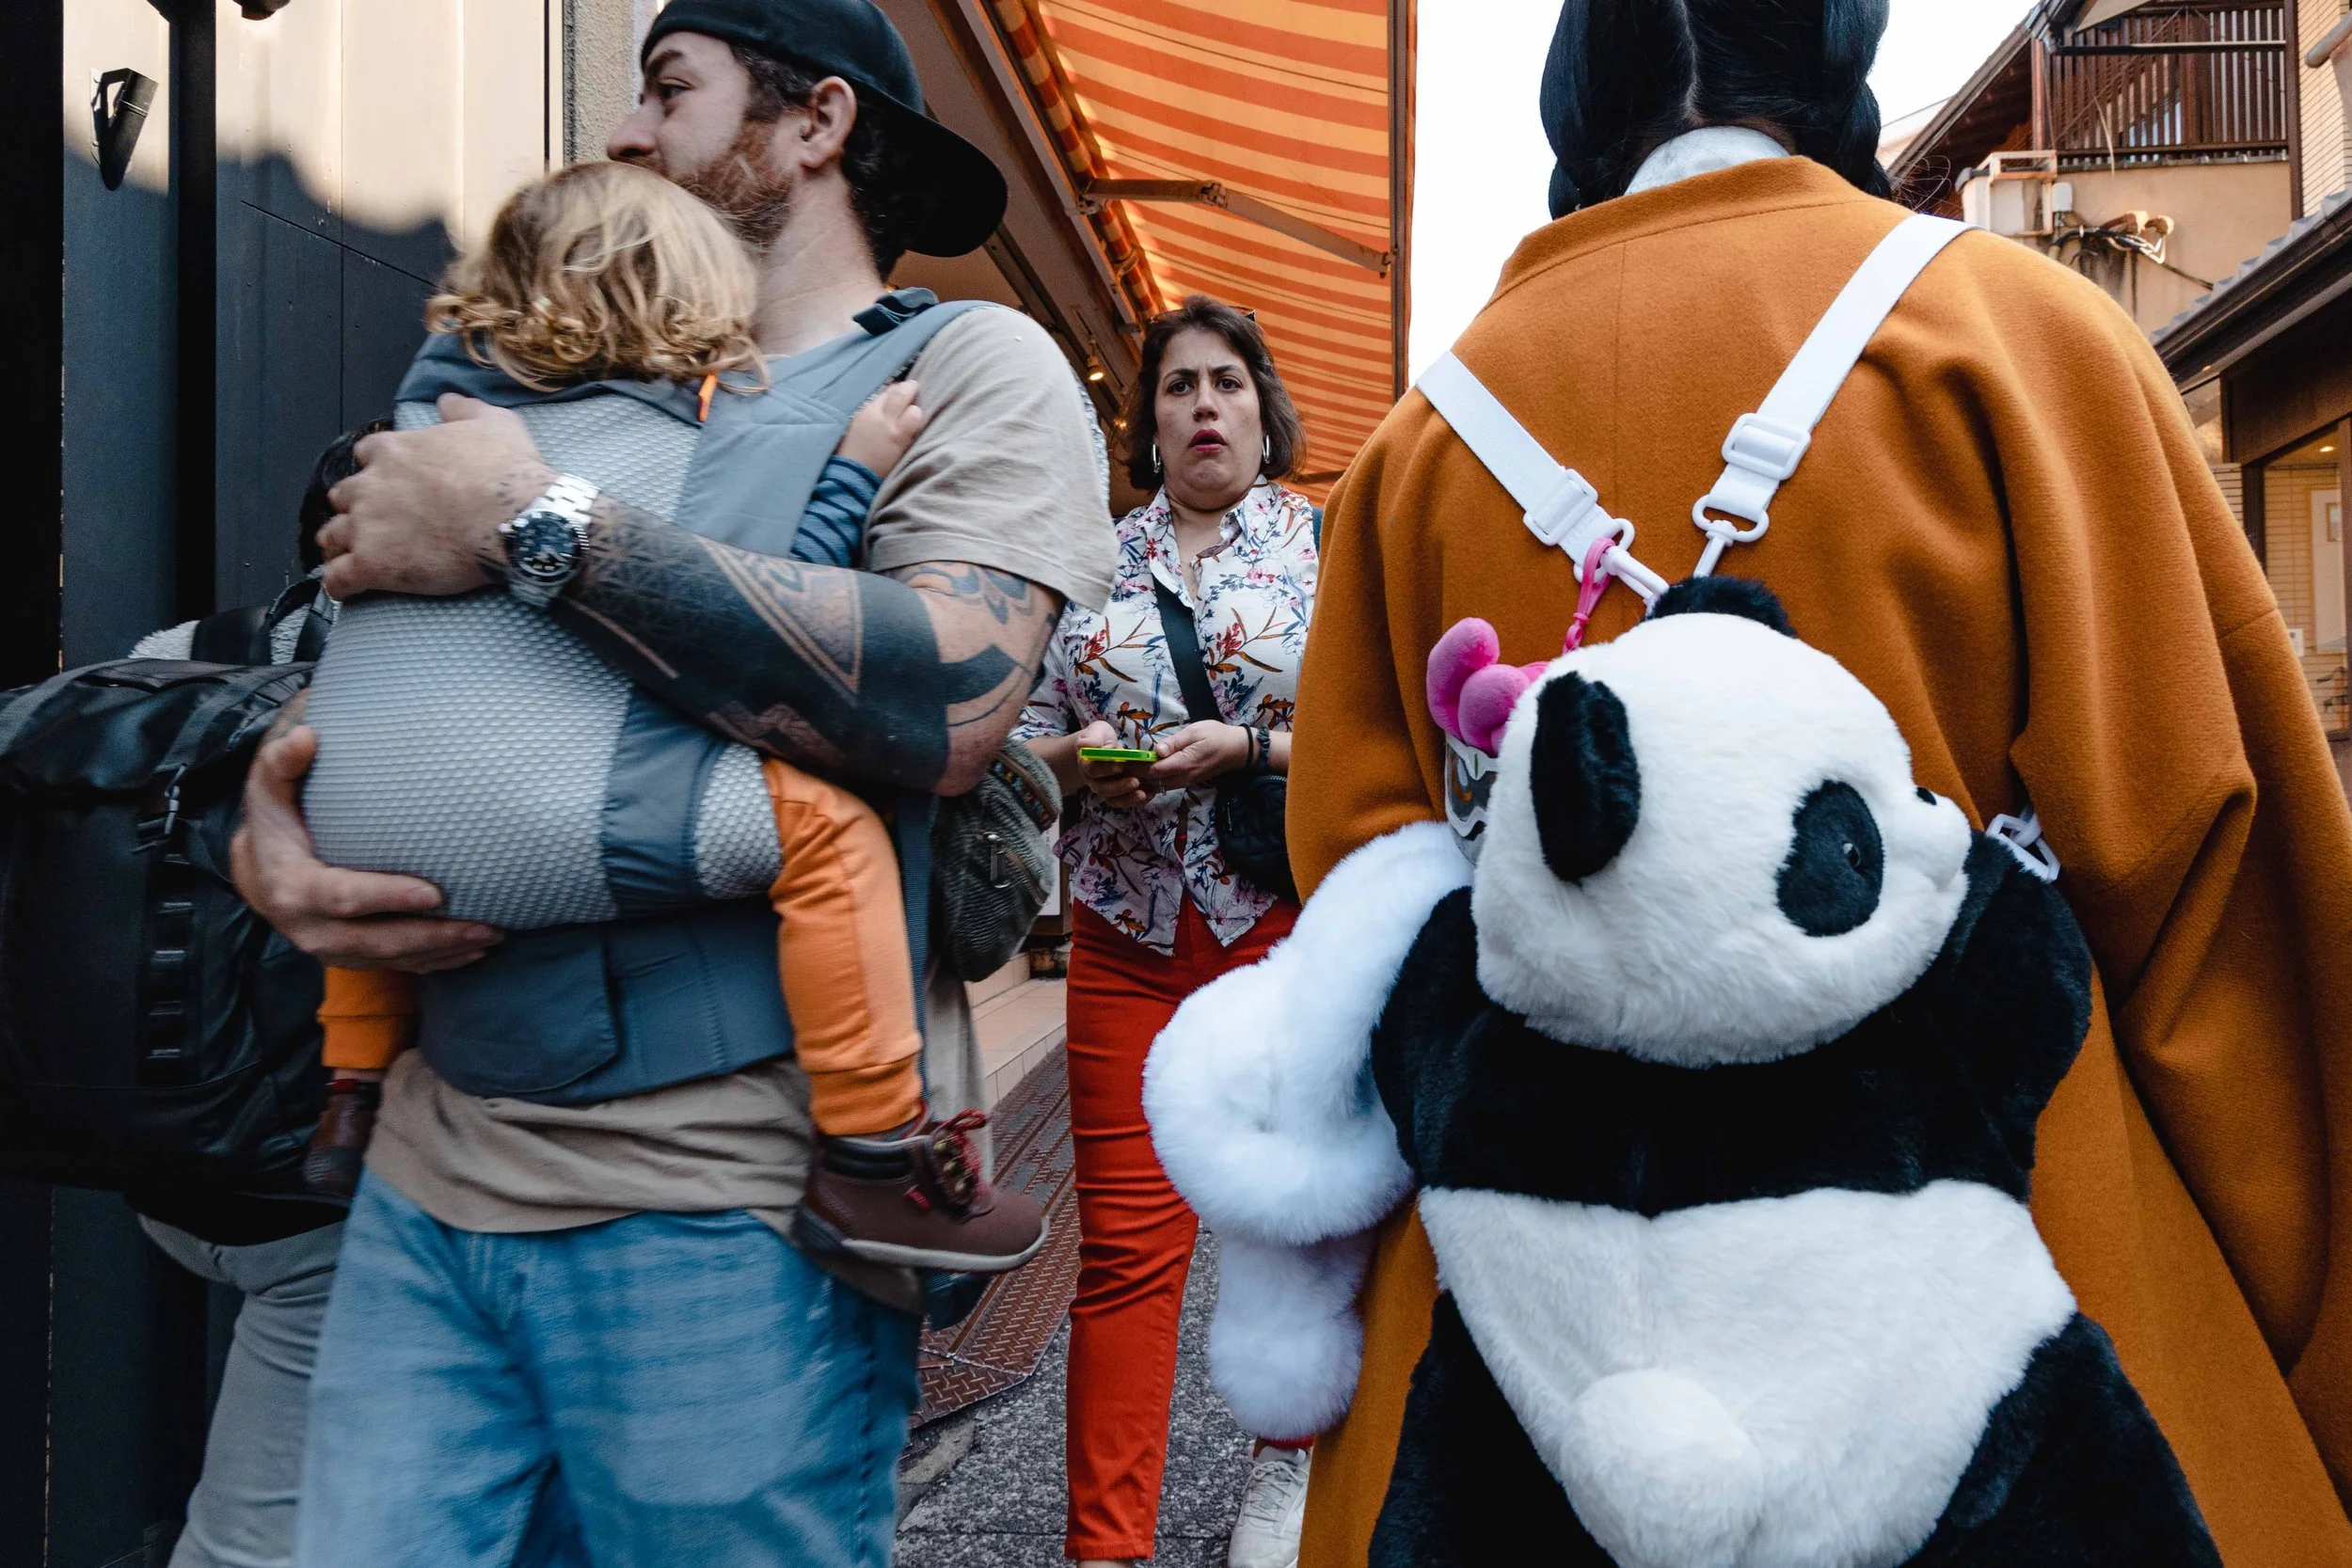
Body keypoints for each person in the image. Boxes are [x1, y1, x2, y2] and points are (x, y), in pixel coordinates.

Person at [1283, 3, 2352, 1566]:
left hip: (1543, 1376)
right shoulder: (2021, 342)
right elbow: (2222, 914)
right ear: (1837, 63)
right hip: (2014, 1336)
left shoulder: (1420, 446)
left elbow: (1363, 929)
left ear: (1579, 101)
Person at [228, 0, 1113, 1560]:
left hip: (727, 1213)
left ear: (816, 122)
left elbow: (954, 693)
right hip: (429, 1181)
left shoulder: (965, 363)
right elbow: (363, 667)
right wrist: (281, 819)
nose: (623, 135)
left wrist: (537, 519)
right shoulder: (538, 365)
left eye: (667, 90)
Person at [295, 158, 1044, 1277]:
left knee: (406, 782)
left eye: (670, 87)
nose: (640, 124)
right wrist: (852, 463)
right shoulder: (681, 445)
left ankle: (347, 1091)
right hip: (572, 841)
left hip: (345, 826)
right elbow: (778, 593)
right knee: (831, 835)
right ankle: (875, 1152)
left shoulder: (422, 428)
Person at [1014, 294, 1318, 1568]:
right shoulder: (1086, 558)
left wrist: (1249, 745)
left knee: (1294, 1229)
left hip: (1283, 936)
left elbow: (1380, 738)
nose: (1203, 403)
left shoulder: (1326, 549)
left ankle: (1284, 1474)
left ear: (1262, 407)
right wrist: (1083, 764)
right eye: (1179, 385)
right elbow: (1015, 739)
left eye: (1227, 382)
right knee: (1129, 1254)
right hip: (1129, 935)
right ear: (1147, 420)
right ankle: (1107, 1544)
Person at [124, 427, 369, 1568]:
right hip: (322, 1185)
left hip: (169, 1156)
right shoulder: (426, 681)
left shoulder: (181, 650)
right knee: (256, 1538)